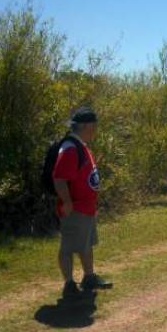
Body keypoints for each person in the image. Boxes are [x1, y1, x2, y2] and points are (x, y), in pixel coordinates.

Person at [53, 107, 112, 298]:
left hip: (86, 208)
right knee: (68, 247)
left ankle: (89, 278)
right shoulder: (70, 148)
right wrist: (67, 202)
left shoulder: (81, 145)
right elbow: (59, 178)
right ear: (86, 126)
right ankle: (69, 284)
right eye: (94, 126)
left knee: (86, 244)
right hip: (75, 208)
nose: (95, 130)